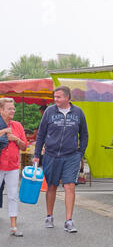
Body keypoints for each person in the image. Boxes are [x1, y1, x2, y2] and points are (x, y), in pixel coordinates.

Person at [33, 86, 88, 233]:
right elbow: (41, 135)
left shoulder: (78, 112)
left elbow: (84, 134)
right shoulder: (49, 112)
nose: (55, 99)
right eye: (54, 97)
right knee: (51, 186)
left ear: (67, 97)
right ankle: (49, 216)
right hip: (51, 155)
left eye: (58, 97)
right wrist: (37, 155)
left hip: (71, 156)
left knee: (70, 186)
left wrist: (80, 153)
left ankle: (69, 221)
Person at [0, 98, 27, 236]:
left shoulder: (17, 125)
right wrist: (4, 132)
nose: (12, 111)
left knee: (13, 196)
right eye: (9, 108)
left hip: (13, 166)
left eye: (13, 108)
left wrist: (16, 139)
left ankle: (14, 227)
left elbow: (24, 146)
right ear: (1, 110)